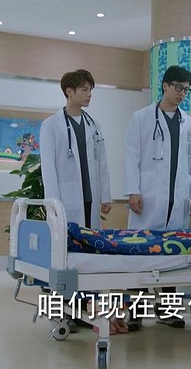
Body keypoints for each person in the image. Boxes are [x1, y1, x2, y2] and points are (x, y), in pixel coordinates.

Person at [39, 69, 125, 333]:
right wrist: (54, 205)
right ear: (69, 92)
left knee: (88, 257)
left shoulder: (93, 125)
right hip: (65, 202)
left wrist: (105, 195)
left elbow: (102, 163)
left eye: (90, 90)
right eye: (85, 90)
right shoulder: (51, 125)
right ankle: (62, 313)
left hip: (90, 200)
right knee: (64, 258)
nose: (89, 95)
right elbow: (48, 168)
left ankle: (85, 311)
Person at [124, 65, 191, 328]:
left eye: (186, 90)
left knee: (170, 254)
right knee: (140, 254)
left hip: (177, 199)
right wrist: (133, 190)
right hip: (147, 198)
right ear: (165, 86)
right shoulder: (141, 118)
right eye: (178, 87)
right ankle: (135, 312)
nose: (182, 94)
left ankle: (167, 311)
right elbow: (131, 156)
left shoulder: (189, 124)